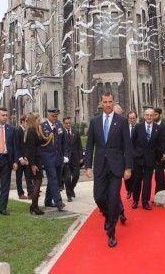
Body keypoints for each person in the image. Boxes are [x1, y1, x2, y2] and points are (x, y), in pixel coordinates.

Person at [85, 92, 132, 248]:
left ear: (114, 102)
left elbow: (127, 147)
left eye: (110, 101)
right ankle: (108, 216)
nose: (107, 104)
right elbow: (90, 145)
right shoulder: (95, 121)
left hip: (116, 167)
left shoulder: (122, 121)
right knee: (98, 197)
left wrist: (128, 167)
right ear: (101, 103)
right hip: (100, 166)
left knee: (113, 198)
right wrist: (88, 166)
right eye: (105, 102)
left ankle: (111, 232)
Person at [131, 108, 162, 210]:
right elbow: (132, 143)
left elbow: (159, 145)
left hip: (150, 160)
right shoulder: (138, 127)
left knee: (147, 182)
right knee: (136, 181)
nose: (149, 117)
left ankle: (145, 202)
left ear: (153, 116)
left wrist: (158, 158)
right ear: (144, 116)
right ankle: (135, 200)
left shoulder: (158, 128)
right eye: (147, 115)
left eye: (151, 115)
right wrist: (134, 155)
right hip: (138, 159)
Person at [40, 108, 66, 211]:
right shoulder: (42, 127)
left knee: (55, 179)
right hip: (48, 157)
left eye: (56, 116)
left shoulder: (59, 125)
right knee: (53, 178)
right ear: (48, 116)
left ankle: (47, 200)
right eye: (53, 116)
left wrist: (65, 155)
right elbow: (40, 144)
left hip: (58, 157)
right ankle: (58, 202)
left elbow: (63, 141)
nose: (55, 118)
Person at [23, 113, 44, 215]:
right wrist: (32, 165)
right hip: (34, 161)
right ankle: (34, 207)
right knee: (37, 183)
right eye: (38, 120)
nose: (39, 122)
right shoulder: (31, 132)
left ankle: (33, 206)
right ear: (34, 121)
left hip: (35, 160)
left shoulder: (32, 131)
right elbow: (31, 149)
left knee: (37, 183)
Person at [62, 116, 83, 202]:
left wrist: (81, 157)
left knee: (76, 175)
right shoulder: (61, 133)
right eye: (66, 123)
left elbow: (79, 146)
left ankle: (71, 189)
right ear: (64, 124)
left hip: (75, 158)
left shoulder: (76, 132)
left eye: (69, 123)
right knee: (67, 178)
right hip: (66, 159)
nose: (68, 125)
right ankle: (69, 195)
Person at [153, 107, 165, 193]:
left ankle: (158, 192)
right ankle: (163, 190)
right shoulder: (151, 126)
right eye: (153, 115)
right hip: (153, 154)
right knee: (159, 174)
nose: (153, 116)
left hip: (162, 155)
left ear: (160, 115)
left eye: (155, 115)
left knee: (158, 174)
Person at [15, 115, 34, 200]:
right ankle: (20, 193)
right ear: (22, 121)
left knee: (28, 176)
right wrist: (20, 158)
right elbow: (17, 146)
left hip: (27, 158)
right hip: (19, 159)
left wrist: (27, 157)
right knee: (19, 177)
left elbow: (29, 145)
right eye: (26, 121)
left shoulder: (28, 131)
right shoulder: (17, 131)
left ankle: (30, 193)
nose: (27, 123)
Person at [125, 111, 138, 199]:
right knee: (126, 175)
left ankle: (133, 191)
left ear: (136, 118)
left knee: (135, 175)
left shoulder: (139, 127)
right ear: (128, 119)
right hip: (126, 155)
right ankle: (128, 190)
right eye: (130, 118)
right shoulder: (125, 128)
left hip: (136, 156)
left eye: (133, 118)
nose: (132, 120)